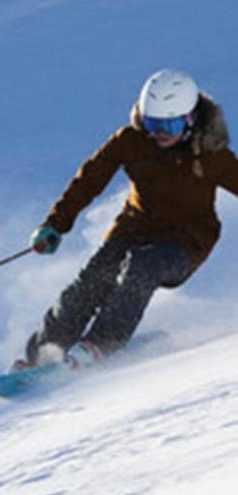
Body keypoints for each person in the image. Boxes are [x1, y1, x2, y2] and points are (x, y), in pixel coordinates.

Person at [18, 69, 238, 369]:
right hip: (134, 229)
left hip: (186, 242)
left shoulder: (212, 156)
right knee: (92, 280)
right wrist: (55, 223)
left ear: (189, 120)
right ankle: (42, 356)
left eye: (169, 124)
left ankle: (98, 346)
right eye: (152, 123)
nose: (159, 132)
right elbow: (89, 179)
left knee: (142, 267)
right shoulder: (132, 141)